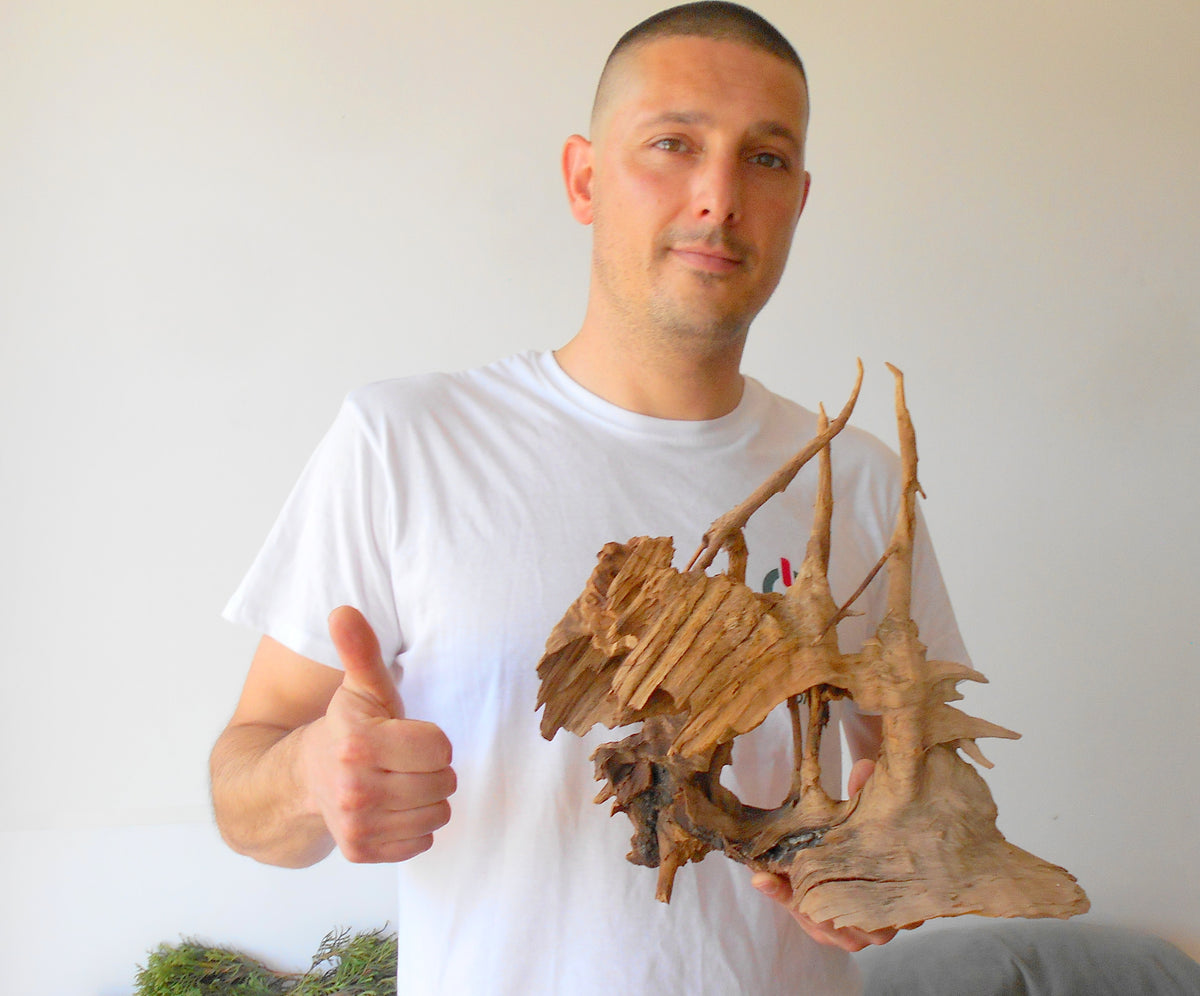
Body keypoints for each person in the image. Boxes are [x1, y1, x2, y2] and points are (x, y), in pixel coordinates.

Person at [211, 4, 969, 993]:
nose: (718, 196)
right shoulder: (405, 443)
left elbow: (936, 783)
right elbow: (243, 781)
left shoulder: (859, 480)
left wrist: (902, 849)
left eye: (766, 159)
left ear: (800, 200)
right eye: (673, 144)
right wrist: (313, 779)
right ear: (583, 177)